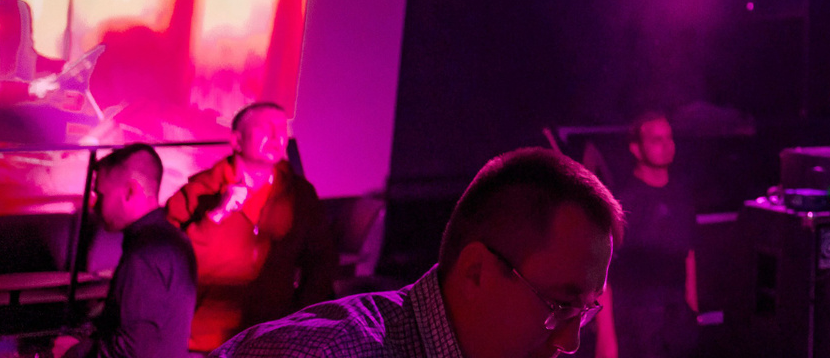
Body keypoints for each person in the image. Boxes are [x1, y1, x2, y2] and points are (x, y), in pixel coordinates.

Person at [211, 148, 622, 358]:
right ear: (476, 273)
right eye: (560, 305)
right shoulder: (328, 353)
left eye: (586, 311)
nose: (571, 342)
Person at [168, 102, 337, 351]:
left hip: (274, 339)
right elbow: (170, 265)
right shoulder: (197, 194)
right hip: (205, 342)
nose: (277, 137)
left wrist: (300, 318)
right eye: (265, 128)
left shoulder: (299, 195)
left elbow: (322, 260)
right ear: (237, 140)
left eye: (282, 129)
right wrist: (216, 216)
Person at [55, 144, 198, 358]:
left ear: (131, 191)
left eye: (100, 194)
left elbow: (134, 349)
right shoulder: (175, 240)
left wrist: (74, 351)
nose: (95, 205)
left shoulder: (145, 254)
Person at [600, 112, 697, 358]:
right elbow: (603, 274)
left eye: (669, 138)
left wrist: (693, 310)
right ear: (636, 148)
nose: (666, 145)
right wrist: (607, 341)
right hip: (636, 323)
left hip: (677, 318)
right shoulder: (623, 203)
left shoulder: (681, 195)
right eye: (656, 140)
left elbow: (688, 254)